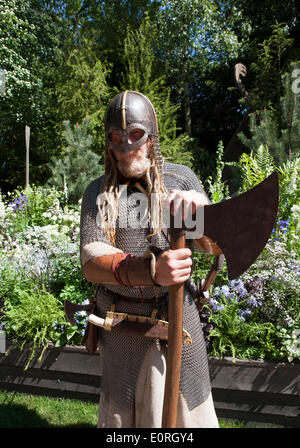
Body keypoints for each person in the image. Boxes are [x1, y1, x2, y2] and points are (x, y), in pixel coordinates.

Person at [80, 90, 219, 428]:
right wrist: (153, 270)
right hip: (121, 325)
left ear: (152, 136)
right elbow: (91, 258)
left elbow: (214, 247)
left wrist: (201, 212)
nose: (127, 144)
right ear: (107, 141)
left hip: (178, 321)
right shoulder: (99, 192)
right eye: (117, 135)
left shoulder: (181, 179)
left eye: (136, 134)